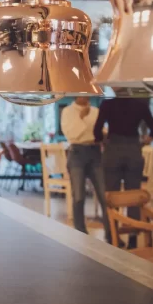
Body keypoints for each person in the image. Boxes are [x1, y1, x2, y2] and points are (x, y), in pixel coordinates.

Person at [94, 97, 153, 220]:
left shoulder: (107, 104)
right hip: (133, 150)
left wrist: (104, 142)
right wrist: (142, 143)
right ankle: (133, 232)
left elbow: (97, 132)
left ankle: (112, 234)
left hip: (113, 149)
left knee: (111, 195)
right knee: (133, 194)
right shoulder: (140, 103)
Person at [60, 97, 113, 243]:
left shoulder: (96, 111)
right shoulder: (67, 111)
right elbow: (71, 135)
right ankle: (80, 232)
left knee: (105, 196)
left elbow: (103, 133)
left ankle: (111, 233)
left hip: (95, 152)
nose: (85, 96)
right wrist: (82, 118)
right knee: (78, 196)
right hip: (76, 153)